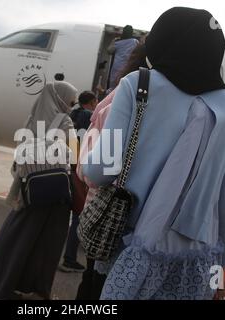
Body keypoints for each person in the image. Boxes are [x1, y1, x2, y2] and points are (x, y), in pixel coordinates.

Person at [82, 7, 225, 300]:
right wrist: (216, 273)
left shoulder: (138, 85)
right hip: (194, 264)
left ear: (161, 41)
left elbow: (100, 170)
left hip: (130, 248)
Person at [0, 81, 78, 300]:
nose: (71, 105)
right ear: (60, 99)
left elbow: (20, 157)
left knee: (16, 236)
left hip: (29, 189)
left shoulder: (30, 119)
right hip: (54, 193)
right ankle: (36, 288)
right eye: (70, 101)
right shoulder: (65, 121)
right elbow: (74, 156)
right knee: (45, 245)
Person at [75, 42, 149, 300]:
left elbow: (87, 167)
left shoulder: (117, 95)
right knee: (99, 280)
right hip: (115, 213)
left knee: (94, 276)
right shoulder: (128, 95)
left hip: (101, 207)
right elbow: (95, 168)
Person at [59, 91, 98, 273]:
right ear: (91, 102)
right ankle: (69, 258)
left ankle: (64, 255)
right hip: (79, 168)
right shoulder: (87, 116)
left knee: (70, 213)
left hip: (67, 165)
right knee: (79, 214)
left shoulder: (72, 114)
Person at [107, 25, 139, 91]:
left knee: (113, 87)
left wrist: (114, 41)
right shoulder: (135, 41)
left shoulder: (118, 42)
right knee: (124, 86)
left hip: (117, 68)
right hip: (128, 68)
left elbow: (109, 51)